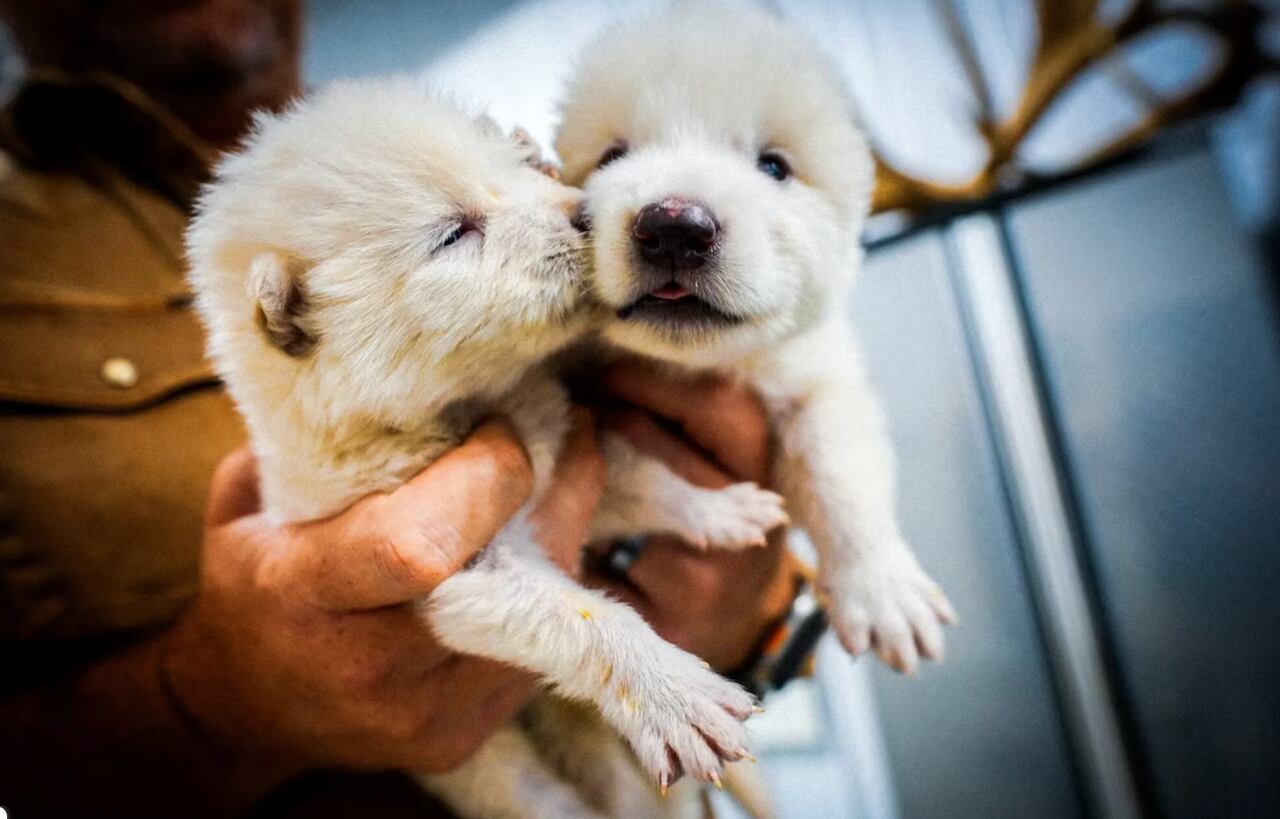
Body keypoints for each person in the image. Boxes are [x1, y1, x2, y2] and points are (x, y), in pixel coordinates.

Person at [0, 1, 804, 816]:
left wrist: (760, 610)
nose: (574, 208)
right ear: (296, 316)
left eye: (521, 173)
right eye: (454, 235)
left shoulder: (415, 132)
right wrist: (209, 705)